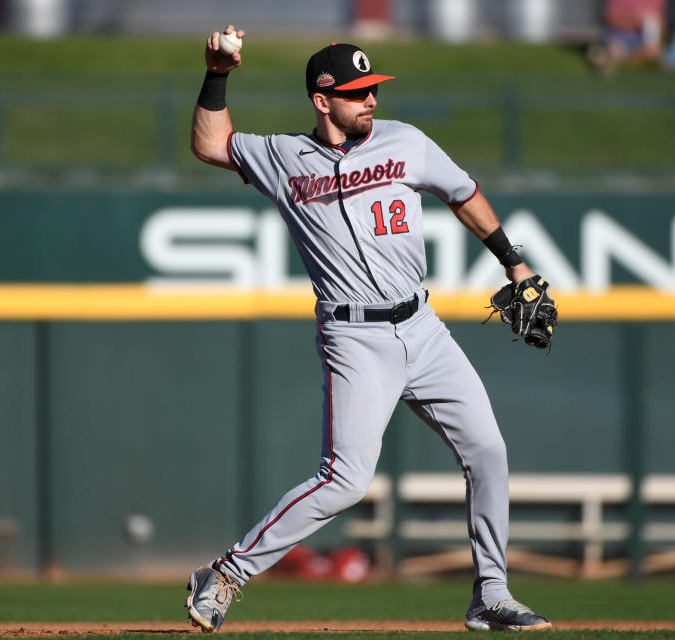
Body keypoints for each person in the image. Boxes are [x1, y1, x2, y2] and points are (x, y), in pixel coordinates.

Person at [183, 26, 553, 633]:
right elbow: (209, 143)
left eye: (373, 88)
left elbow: (464, 194)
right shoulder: (282, 158)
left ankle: (491, 593)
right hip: (355, 338)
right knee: (347, 480)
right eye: (356, 92)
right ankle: (223, 575)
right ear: (322, 101)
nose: (371, 100)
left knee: (488, 450)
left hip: (424, 328)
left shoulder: (405, 142)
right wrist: (217, 72)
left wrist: (511, 259)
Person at [588, 0, 666, 72]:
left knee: (654, 51)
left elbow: (660, 22)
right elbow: (610, 17)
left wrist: (658, 41)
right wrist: (635, 21)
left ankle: (610, 57)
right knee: (615, 47)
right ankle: (611, 56)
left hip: (644, 38)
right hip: (619, 33)